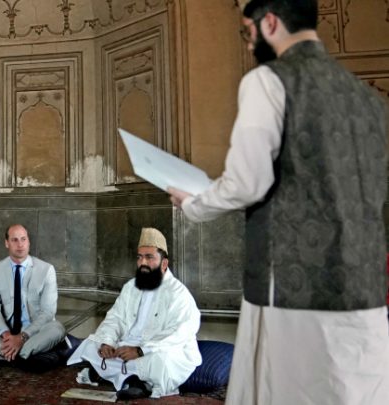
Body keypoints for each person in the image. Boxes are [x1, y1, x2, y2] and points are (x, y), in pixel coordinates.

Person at [167, 1, 389, 404]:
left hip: (293, 286)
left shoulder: (268, 80)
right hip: (364, 288)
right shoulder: (368, 98)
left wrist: (194, 203)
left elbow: (247, 183)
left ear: (270, 22)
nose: (249, 44)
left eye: (248, 32)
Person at [67, 228, 201, 399]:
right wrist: (107, 342)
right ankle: (131, 379)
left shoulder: (178, 294)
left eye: (149, 257)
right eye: (139, 257)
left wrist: (140, 350)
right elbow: (115, 318)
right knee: (93, 344)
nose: (142, 262)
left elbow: (178, 333)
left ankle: (121, 377)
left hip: (158, 348)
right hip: (128, 345)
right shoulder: (131, 287)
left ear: (164, 263)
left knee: (162, 361)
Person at [0, 224, 66, 370]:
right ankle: (20, 354)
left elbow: (48, 313)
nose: (20, 244)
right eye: (14, 240)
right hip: (5, 332)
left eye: (23, 239)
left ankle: (2, 353)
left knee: (58, 329)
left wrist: (22, 337)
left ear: (28, 241)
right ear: (7, 243)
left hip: (33, 332)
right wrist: (5, 333)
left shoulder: (46, 269)